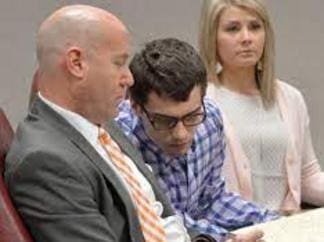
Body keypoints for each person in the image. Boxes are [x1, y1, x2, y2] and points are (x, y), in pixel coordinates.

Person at [5, 5, 192, 242]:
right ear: (76, 63)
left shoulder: (102, 124)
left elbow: (161, 218)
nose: (129, 78)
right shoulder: (44, 161)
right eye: (119, 63)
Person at [116, 37, 279, 242]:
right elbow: (161, 220)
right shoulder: (119, 143)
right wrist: (226, 238)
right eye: (165, 121)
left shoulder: (209, 119)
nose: (181, 134)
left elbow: (211, 200)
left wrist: (273, 222)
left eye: (191, 116)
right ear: (136, 107)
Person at [198, 0, 324, 214]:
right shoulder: (201, 102)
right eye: (233, 29)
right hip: (235, 232)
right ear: (212, 38)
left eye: (255, 27)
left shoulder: (290, 98)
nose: (246, 38)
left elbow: (307, 175)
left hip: (290, 229)